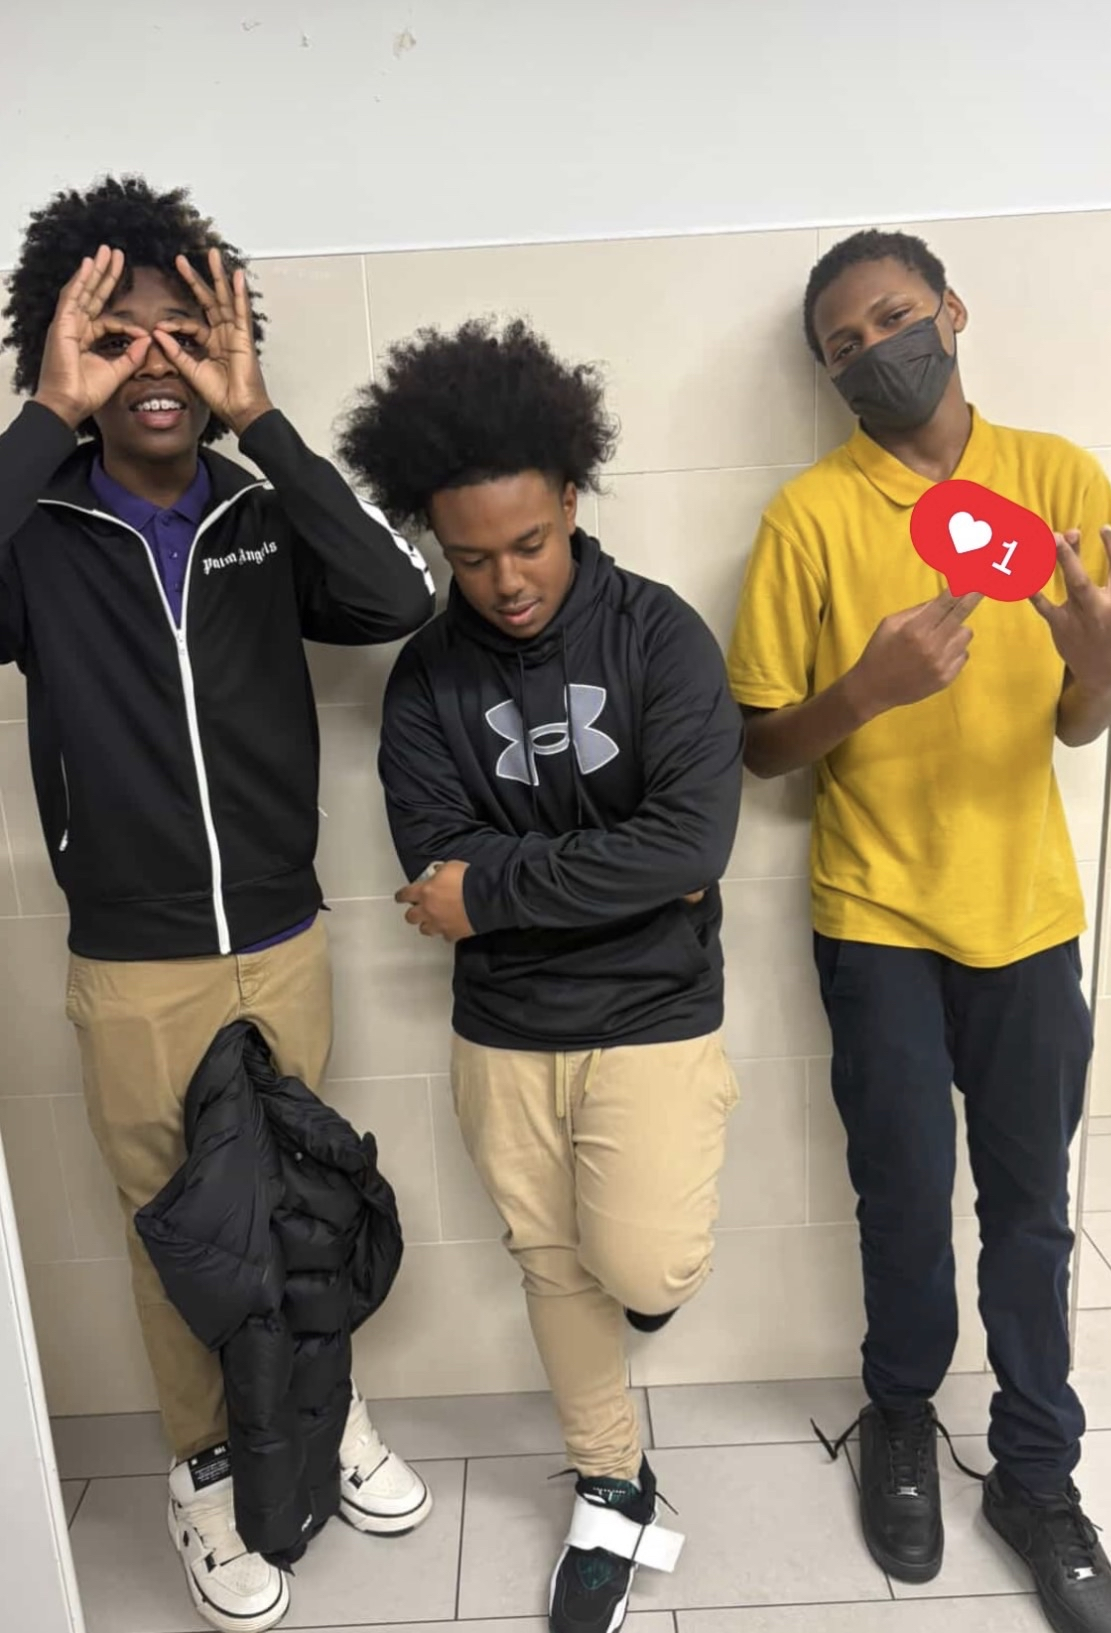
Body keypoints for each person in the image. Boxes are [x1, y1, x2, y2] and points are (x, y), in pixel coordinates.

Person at [0, 176, 437, 1633]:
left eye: (184, 333)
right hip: (135, 962)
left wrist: (265, 421)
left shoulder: (261, 509)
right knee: (177, 1229)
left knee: (303, 1201)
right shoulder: (40, 527)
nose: (154, 361)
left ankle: (324, 1413)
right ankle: (201, 1471)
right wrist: (43, 418)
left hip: (282, 935)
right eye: (113, 333)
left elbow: (397, 598)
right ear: (61, 345)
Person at [727, 229, 1111, 1633]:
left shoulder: (1058, 479)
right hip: (874, 918)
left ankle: (1036, 1477)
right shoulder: (807, 517)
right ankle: (903, 1415)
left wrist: (1105, 672)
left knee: (1030, 1212)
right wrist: (862, 691)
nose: (874, 352)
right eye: (842, 346)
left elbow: (1080, 721)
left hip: (1025, 915)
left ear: (953, 312)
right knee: (904, 1198)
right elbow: (757, 748)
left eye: (893, 318)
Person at [339, 317, 744, 1633]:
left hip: (653, 1013)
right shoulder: (425, 681)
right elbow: (433, 860)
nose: (505, 581)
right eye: (468, 557)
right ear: (432, 539)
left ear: (571, 498)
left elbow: (690, 846)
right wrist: (620, 874)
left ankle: (649, 1293)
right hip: (504, 1032)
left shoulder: (660, 636)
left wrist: (496, 894)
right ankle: (611, 1486)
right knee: (549, 1264)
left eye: (526, 543)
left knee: (641, 1267)